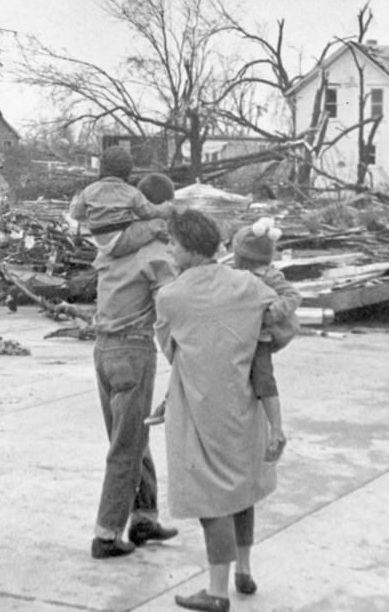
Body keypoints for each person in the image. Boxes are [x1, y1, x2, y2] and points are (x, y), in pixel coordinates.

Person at [155, 209, 297, 612]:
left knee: (210, 498)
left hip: (200, 408)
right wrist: (255, 344)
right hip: (243, 401)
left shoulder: (171, 297)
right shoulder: (248, 286)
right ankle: (243, 570)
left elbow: (170, 349)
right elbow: (283, 325)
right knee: (241, 488)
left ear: (188, 250)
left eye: (173, 243)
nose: (168, 249)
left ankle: (217, 592)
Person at [78, 164, 180, 560]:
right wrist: (182, 359)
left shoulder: (109, 248)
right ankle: (106, 534)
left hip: (103, 351)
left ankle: (143, 516)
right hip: (133, 352)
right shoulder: (156, 253)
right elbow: (169, 312)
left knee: (132, 438)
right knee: (127, 446)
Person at [228, 217, 301, 463]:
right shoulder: (235, 274)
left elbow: (293, 296)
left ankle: (277, 431)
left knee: (264, 381)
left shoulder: (270, 276)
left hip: (260, 339)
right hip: (238, 336)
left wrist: (272, 314)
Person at [67, 146, 166, 253]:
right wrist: (165, 208)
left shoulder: (89, 190)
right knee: (159, 223)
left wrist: (75, 202)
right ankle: (169, 249)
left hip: (99, 242)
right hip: (120, 242)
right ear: (128, 170)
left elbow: (75, 214)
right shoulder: (131, 192)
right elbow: (148, 213)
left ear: (101, 168)